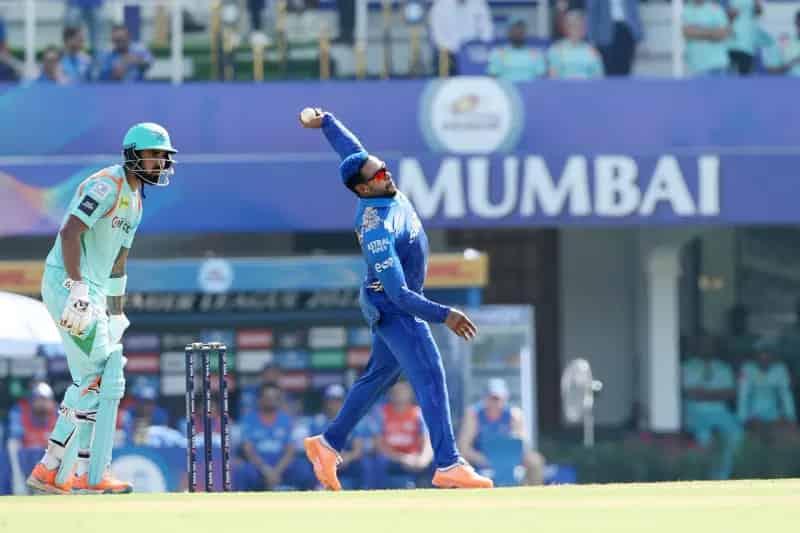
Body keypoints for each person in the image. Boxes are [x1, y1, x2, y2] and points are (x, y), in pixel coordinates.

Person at [299, 107, 492, 490]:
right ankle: (448, 463)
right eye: (378, 175)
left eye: (385, 169)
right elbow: (400, 294)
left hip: (391, 303)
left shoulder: (375, 182)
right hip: (394, 308)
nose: (387, 175)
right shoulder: (376, 229)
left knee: (377, 377)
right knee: (431, 374)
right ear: (362, 190)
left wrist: (327, 122)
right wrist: (445, 314)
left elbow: (351, 150)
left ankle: (327, 444)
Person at [26, 122, 178, 495]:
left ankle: (52, 469)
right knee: (99, 377)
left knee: (88, 380)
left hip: (92, 293)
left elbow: (117, 264)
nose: (160, 162)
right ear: (133, 154)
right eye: (154, 154)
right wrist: (76, 286)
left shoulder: (136, 201)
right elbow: (70, 231)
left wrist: (116, 312)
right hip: (68, 284)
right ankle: (81, 470)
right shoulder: (107, 185)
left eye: (164, 156)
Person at [457, 378, 545, 485]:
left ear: (505, 397)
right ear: (485, 398)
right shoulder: (473, 415)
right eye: (492, 398)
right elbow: (464, 448)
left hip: (507, 457)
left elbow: (521, 445)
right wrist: (482, 459)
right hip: (481, 456)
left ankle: (531, 490)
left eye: (498, 398)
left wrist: (507, 458)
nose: (495, 402)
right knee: (461, 463)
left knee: (535, 461)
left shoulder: (514, 415)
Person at [682, 335, 743, 480]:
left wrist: (704, 393)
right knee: (704, 436)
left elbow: (730, 393)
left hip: (720, 411)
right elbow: (690, 393)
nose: (706, 348)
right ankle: (704, 477)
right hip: (695, 411)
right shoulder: (687, 367)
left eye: (710, 345)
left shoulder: (723, 367)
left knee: (736, 434)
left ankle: (722, 477)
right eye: (703, 345)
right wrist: (716, 394)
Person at [374, 381, 434, 489]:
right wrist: (402, 458)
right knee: (377, 462)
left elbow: (427, 441)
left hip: (414, 457)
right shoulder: (381, 413)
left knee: (434, 463)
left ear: (411, 393)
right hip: (390, 458)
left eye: (403, 391)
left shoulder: (418, 413)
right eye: (397, 391)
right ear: (390, 394)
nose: (400, 394)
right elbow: (379, 445)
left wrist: (423, 459)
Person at [236, 383, 296, 491]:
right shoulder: (248, 419)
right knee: (243, 471)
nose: (271, 400)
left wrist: (277, 471)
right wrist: (265, 470)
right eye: (268, 397)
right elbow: (248, 450)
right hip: (258, 463)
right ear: (260, 399)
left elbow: (290, 450)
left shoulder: (286, 419)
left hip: (280, 463)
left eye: (275, 398)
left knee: (303, 470)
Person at [738, 340, 797, 441]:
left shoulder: (781, 369)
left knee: (788, 435)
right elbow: (743, 395)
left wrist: (791, 417)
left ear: (772, 356)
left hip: (774, 411)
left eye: (767, 353)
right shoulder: (747, 369)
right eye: (761, 354)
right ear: (755, 356)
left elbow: (786, 395)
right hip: (754, 412)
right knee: (756, 435)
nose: (764, 357)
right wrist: (742, 418)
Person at [429, 0, 493, 76]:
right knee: (443, 56)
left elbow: (487, 30)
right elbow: (438, 36)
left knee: (489, 56)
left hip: (473, 50)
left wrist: (478, 45)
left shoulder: (479, 3)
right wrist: (457, 50)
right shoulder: (440, 5)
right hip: (450, 52)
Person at [585, 0, 643, 76]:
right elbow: (592, 14)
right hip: (605, 33)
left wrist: (638, 33)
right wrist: (591, 39)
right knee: (609, 68)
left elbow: (634, 11)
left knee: (625, 67)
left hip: (626, 30)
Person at [548, 10, 604, 79]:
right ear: (566, 28)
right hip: (563, 85)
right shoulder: (556, 49)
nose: (577, 29)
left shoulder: (592, 50)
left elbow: (598, 77)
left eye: (580, 26)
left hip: (587, 85)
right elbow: (553, 76)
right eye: (573, 26)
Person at [487, 17, 547, 82]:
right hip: (505, 87)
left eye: (521, 29)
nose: (518, 32)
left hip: (531, 87)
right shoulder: (498, 53)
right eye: (515, 29)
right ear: (509, 32)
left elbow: (542, 77)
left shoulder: (536, 53)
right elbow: (492, 76)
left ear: (525, 32)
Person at [682, 0, 730, 76]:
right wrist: (712, 32)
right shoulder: (686, 9)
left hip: (717, 64)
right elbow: (687, 32)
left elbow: (722, 34)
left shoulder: (715, 9)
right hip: (695, 66)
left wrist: (697, 31)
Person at [763, 10, 800, 77]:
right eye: (799, 23)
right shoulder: (783, 43)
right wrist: (793, 63)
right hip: (789, 82)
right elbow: (770, 70)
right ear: (796, 23)